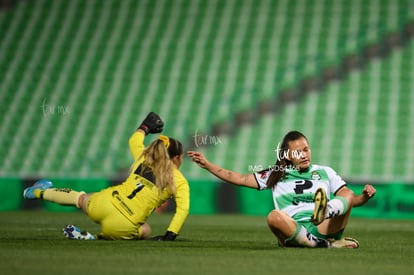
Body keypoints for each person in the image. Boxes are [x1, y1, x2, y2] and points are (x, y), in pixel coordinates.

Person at [188, 130, 376, 248]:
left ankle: (324, 214)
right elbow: (238, 178)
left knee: (348, 193)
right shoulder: (276, 174)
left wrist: (364, 197)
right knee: (273, 217)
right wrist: (208, 165)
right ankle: (326, 244)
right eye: (297, 152)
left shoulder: (325, 171)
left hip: (322, 225)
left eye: (306, 149)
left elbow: (351, 201)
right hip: (293, 228)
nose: (304, 154)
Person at [24, 112, 190, 241]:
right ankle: (92, 238)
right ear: (176, 158)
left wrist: (144, 127)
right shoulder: (179, 180)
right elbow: (183, 210)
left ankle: (37, 192)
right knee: (145, 230)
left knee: (80, 198)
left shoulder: (144, 158)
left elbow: (134, 141)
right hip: (124, 225)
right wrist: (169, 235)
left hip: (105, 203)